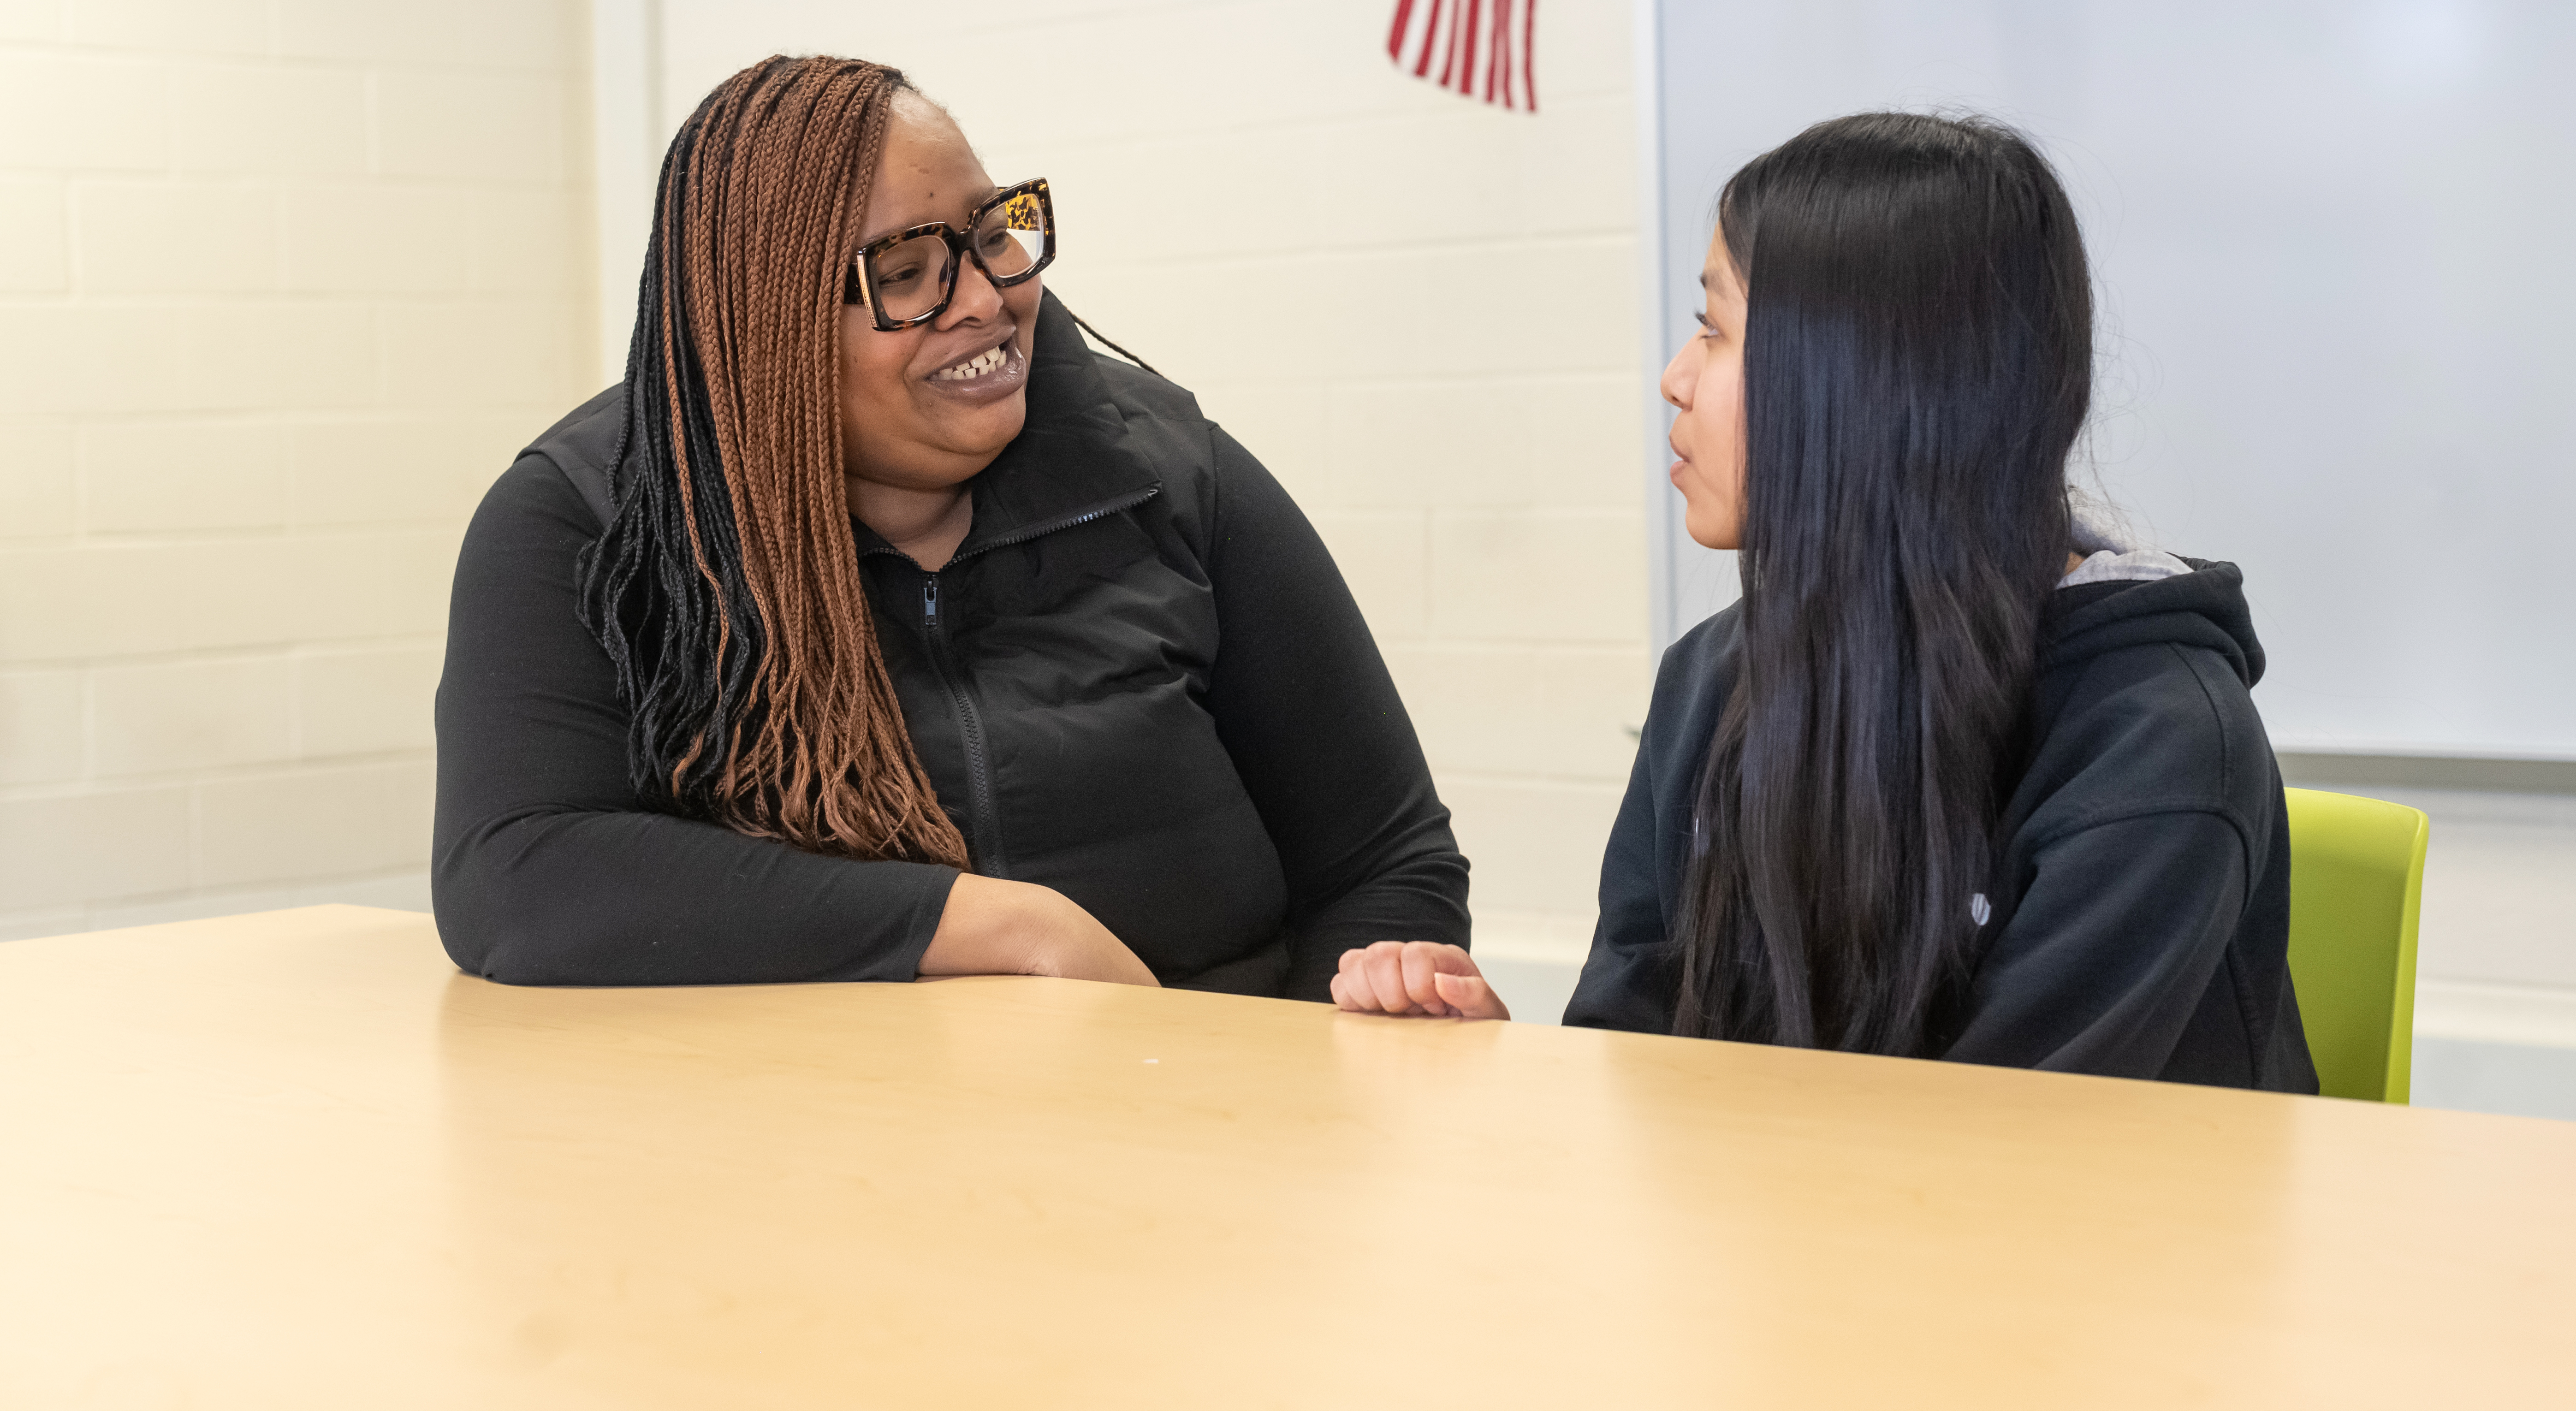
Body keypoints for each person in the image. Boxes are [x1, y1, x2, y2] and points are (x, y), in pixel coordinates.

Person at [435, 54, 1468, 994]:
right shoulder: (588, 518)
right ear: (766, 327)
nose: (982, 297)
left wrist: (1328, 1046)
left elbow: (1383, 860)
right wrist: (997, 924)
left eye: (988, 234)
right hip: (797, 1145)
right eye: (902, 274)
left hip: (1200, 1123)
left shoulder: (1170, 471)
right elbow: (518, 872)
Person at [1333, 112, 2318, 1093]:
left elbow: (1998, 1163)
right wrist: (1501, 1051)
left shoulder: (2156, 746)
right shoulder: (1711, 679)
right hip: (1790, 1230)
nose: (1675, 378)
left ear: (1856, 383)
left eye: (1715, 330)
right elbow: (1636, 1058)